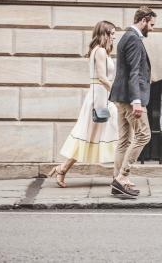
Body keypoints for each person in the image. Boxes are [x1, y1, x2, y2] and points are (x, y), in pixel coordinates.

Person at [48, 20, 118, 188]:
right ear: (105, 34)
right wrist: (116, 92)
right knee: (97, 134)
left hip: (101, 97)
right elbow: (101, 77)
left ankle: (63, 169)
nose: (114, 38)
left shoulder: (100, 51)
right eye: (112, 34)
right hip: (99, 99)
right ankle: (120, 176)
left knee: (93, 136)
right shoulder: (100, 51)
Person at [109, 6, 157, 197]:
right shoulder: (134, 39)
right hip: (130, 99)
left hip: (120, 97)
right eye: (151, 24)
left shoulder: (126, 37)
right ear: (144, 20)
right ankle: (122, 177)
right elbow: (134, 72)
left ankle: (116, 181)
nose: (152, 29)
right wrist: (137, 100)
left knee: (124, 140)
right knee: (144, 135)